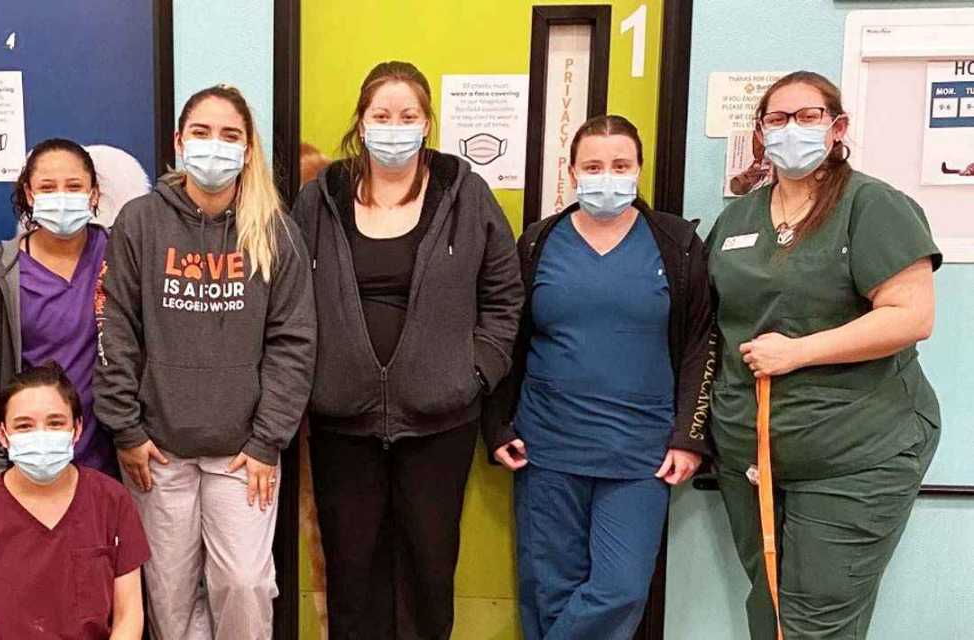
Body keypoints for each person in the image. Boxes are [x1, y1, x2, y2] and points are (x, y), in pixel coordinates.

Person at [289, 61, 522, 640]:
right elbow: (288, 296)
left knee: (428, 572)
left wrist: (475, 371)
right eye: (382, 115)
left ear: (426, 123)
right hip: (342, 422)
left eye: (407, 115)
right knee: (351, 574)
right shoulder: (319, 199)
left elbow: (504, 293)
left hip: (440, 422)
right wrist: (313, 379)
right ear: (361, 122)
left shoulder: (465, 194)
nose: (394, 127)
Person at [708, 71, 941, 639]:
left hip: (855, 451)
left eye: (808, 116)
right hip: (753, 453)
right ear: (760, 133)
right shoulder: (738, 219)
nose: (792, 128)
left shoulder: (872, 205)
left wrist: (799, 353)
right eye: (778, 118)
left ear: (837, 128)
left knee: (814, 623)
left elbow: (911, 316)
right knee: (769, 610)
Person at [96, 84, 316, 640]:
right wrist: (126, 429)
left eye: (229, 135)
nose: (214, 145)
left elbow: (292, 343)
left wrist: (267, 439)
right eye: (201, 132)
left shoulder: (275, 230)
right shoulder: (140, 222)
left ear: (247, 149)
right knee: (168, 598)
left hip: (243, 454)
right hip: (157, 450)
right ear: (179, 142)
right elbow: (115, 328)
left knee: (244, 585)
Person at [486, 115, 713, 640]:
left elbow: (701, 343)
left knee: (621, 588)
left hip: (641, 453)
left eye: (620, 165)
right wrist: (497, 425)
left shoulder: (675, 244)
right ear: (571, 173)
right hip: (547, 447)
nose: (606, 176)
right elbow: (507, 339)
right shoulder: (539, 242)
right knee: (549, 593)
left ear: (639, 170)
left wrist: (690, 435)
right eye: (592, 166)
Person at [0, 363, 149, 639]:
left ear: (77, 428)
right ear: (2, 434)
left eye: (55, 423)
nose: (41, 436)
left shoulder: (112, 501)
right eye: (24, 426)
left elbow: (129, 616)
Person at [0, 138, 115, 483]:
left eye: (74, 187)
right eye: (47, 187)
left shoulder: (118, 253)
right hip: (31, 455)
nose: (61, 197)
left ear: (94, 194)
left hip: (109, 456)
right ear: (29, 195)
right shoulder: (2, 269)